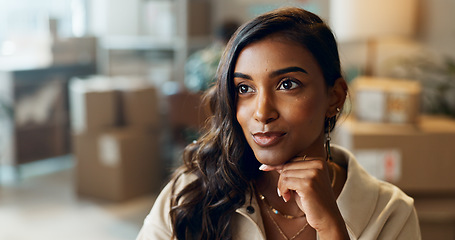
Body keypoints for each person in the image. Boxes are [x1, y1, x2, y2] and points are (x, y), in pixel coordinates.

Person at [137, 7, 421, 240]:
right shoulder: (189, 193)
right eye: (245, 89)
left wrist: (333, 229)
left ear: (335, 97)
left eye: (287, 84)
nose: (262, 112)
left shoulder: (390, 213)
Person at [184, 20, 239, 93]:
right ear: (237, 37)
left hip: (199, 102)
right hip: (225, 102)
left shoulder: (195, 58)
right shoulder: (237, 57)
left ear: (215, 37)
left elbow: (190, 88)